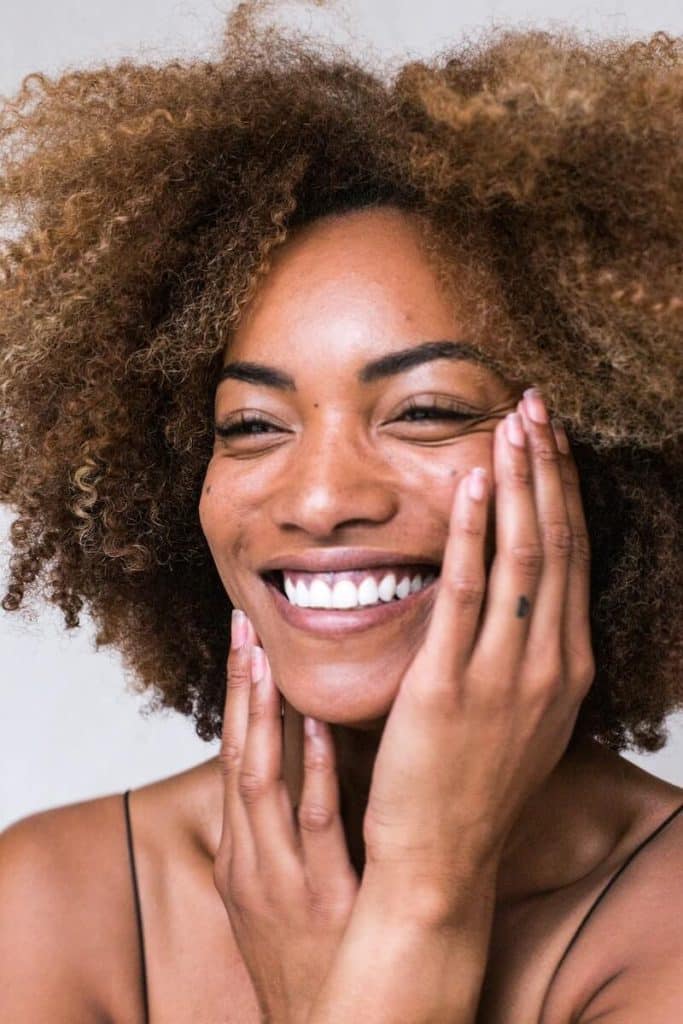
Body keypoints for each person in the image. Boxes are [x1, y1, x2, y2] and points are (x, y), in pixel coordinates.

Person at [1, 3, 682, 1021]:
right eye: (251, 425)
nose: (319, 499)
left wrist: (418, 901)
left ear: (608, 459)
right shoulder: (59, 900)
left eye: (426, 411)